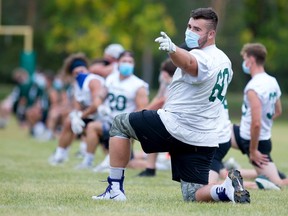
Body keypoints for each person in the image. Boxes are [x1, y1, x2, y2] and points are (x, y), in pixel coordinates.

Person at [92, 7, 250, 203]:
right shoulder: (224, 60)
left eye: (197, 29)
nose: (191, 32)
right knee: (193, 196)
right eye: (189, 26)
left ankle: (114, 189)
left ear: (211, 34)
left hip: (176, 125)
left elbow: (190, 64)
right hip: (204, 136)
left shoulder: (202, 56)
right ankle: (224, 190)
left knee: (119, 123)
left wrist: (173, 49)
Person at [75, 51, 149, 170]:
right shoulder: (111, 79)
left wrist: (127, 121)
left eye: (130, 62)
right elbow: (100, 96)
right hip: (109, 121)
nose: (127, 64)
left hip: (125, 126)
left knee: (128, 164)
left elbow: (142, 109)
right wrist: (100, 107)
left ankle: (154, 165)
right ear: (118, 63)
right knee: (92, 127)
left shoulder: (139, 85)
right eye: (124, 61)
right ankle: (88, 161)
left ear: (134, 64)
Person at [231, 42, 288, 188]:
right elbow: (278, 111)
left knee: (278, 183)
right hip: (251, 135)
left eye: (245, 59)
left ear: (251, 60)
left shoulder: (253, 86)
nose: (244, 63)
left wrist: (253, 150)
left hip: (254, 142)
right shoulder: (272, 81)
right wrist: (265, 122)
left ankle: (259, 181)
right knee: (220, 132)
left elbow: (256, 124)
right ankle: (221, 169)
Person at [48, 52, 105, 165]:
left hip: (104, 117)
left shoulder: (93, 81)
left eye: (81, 71)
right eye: (76, 72)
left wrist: (81, 116)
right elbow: (77, 105)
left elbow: (96, 104)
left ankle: (87, 159)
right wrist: (76, 115)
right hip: (93, 116)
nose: (79, 74)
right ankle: (60, 154)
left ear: (87, 70)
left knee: (113, 153)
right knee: (69, 122)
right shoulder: (76, 84)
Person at [137, 58, 177, 177]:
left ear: (164, 73)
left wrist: (143, 113)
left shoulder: (173, 83)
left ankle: (150, 169)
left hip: (172, 120)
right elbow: (159, 97)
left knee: (152, 134)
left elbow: (161, 100)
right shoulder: (176, 81)